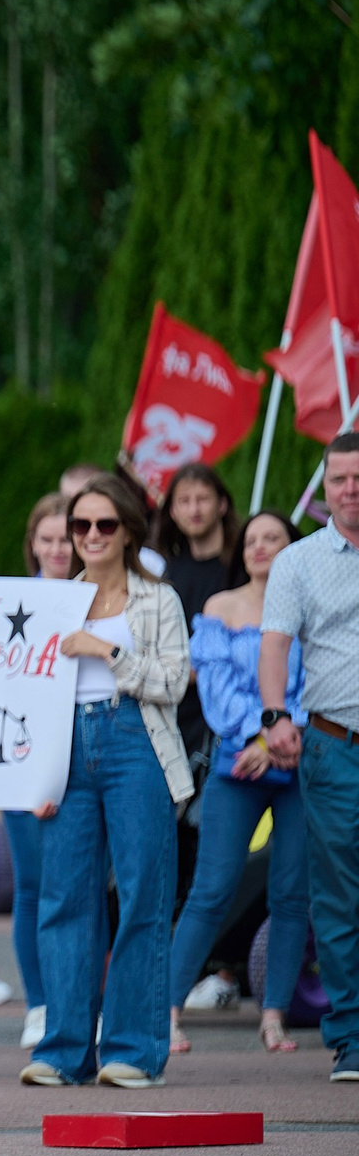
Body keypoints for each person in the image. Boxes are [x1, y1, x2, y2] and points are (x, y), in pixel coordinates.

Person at [23, 474, 193, 1088]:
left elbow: (175, 684)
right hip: (66, 746)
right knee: (64, 897)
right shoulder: (51, 601)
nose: (90, 536)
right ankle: (62, 1051)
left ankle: (132, 1051)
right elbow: (22, 692)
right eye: (80, 525)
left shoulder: (159, 599)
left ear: (127, 531)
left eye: (104, 525)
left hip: (136, 744)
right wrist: (34, 773)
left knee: (145, 894)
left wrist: (106, 652)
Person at [174, 509, 307, 1055]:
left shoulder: (311, 609)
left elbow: (323, 678)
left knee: (292, 894)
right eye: (251, 539)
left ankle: (273, 1016)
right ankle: (167, 1012)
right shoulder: (219, 609)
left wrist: (281, 737)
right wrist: (260, 737)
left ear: (292, 547)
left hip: (299, 765)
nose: (260, 547)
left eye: (273, 537)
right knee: (211, 890)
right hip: (238, 767)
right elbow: (216, 694)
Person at [259, 433, 359, 1084]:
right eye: (340, 478)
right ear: (324, 488)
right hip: (334, 743)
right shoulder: (297, 561)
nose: (351, 488)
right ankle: (351, 1036)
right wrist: (275, 715)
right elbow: (275, 647)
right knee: (339, 892)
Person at [6, 492, 75, 1047]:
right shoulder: (9, 603)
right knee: (32, 886)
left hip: (86, 761)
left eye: (65, 538)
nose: (57, 549)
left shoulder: (100, 598)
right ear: (31, 543)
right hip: (20, 762)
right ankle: (38, 1005)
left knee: (79, 888)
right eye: (46, 539)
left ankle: (77, 1002)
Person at [151, 463, 246, 624]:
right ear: (173, 511)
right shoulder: (168, 572)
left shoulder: (243, 565)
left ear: (222, 505)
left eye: (203, 499)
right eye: (184, 501)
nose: (194, 510)